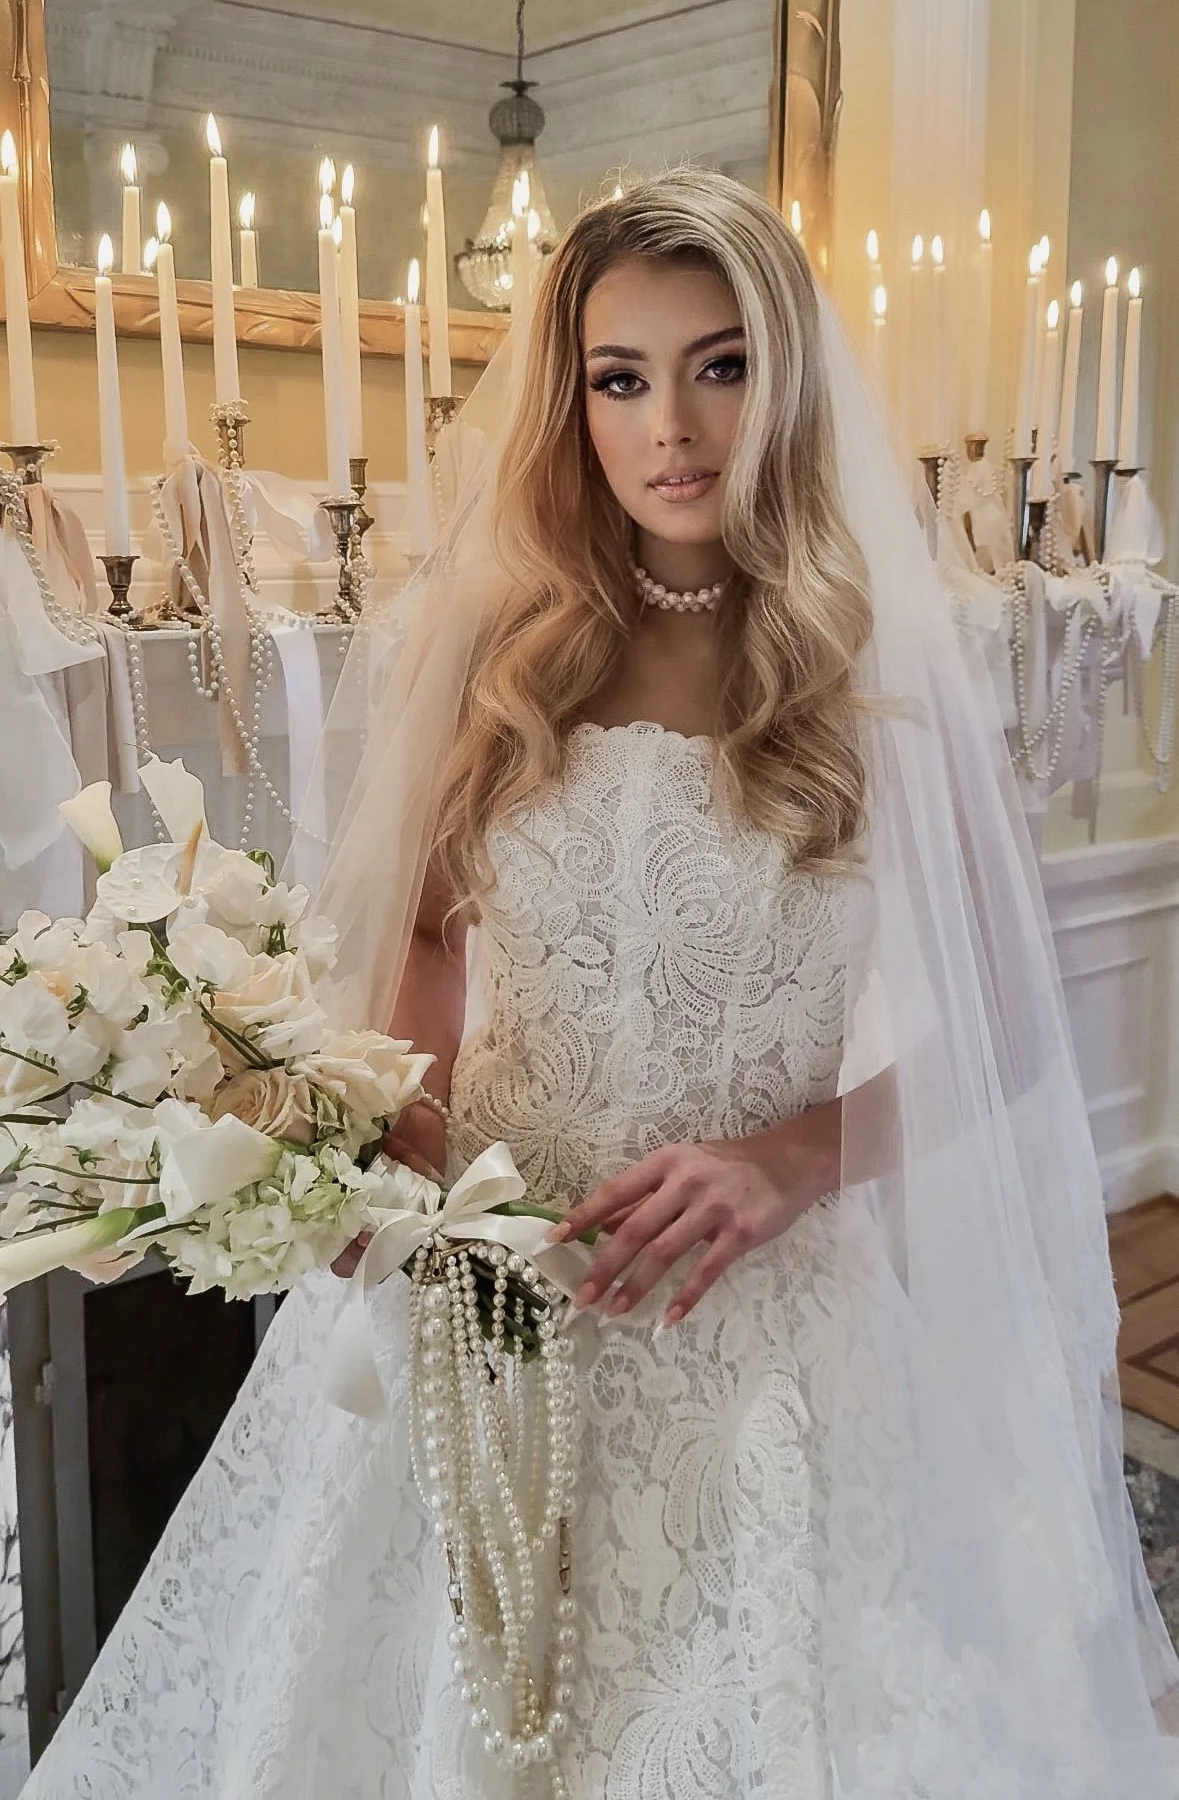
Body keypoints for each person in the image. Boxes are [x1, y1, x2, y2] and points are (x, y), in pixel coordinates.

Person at [23, 172, 1179, 1798]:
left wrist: (791, 1159)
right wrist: (398, 1128)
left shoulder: (871, 672)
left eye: (718, 365)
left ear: (785, 376)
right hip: (492, 1278)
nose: (671, 426)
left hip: (755, 1318)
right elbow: (426, 936)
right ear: (571, 402)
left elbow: (1009, 1029)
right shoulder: (502, 649)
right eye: (619, 377)